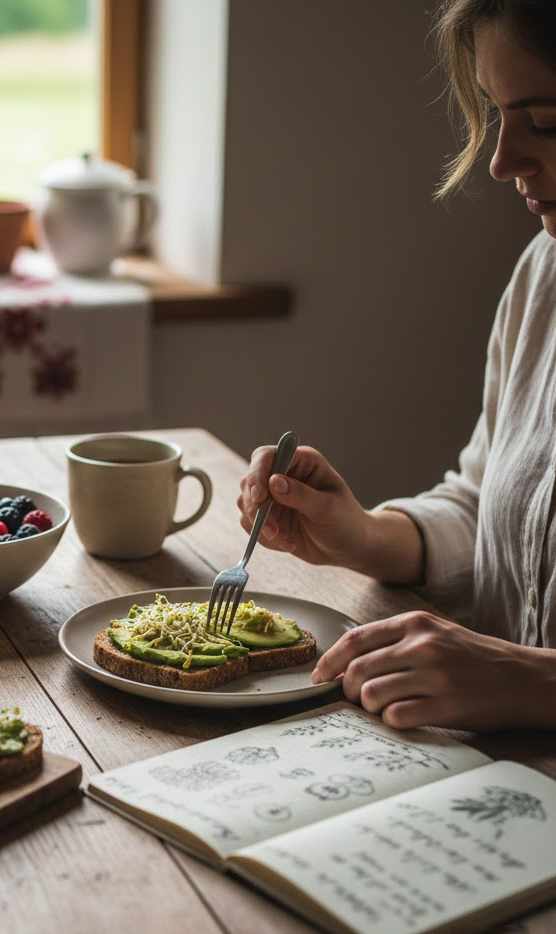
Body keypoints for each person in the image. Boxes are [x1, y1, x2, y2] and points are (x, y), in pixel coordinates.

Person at [237, 0, 556, 733]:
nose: (501, 161)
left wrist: (533, 681)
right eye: (496, 114)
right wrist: (362, 534)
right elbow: (485, 506)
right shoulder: (543, 275)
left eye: (546, 123)